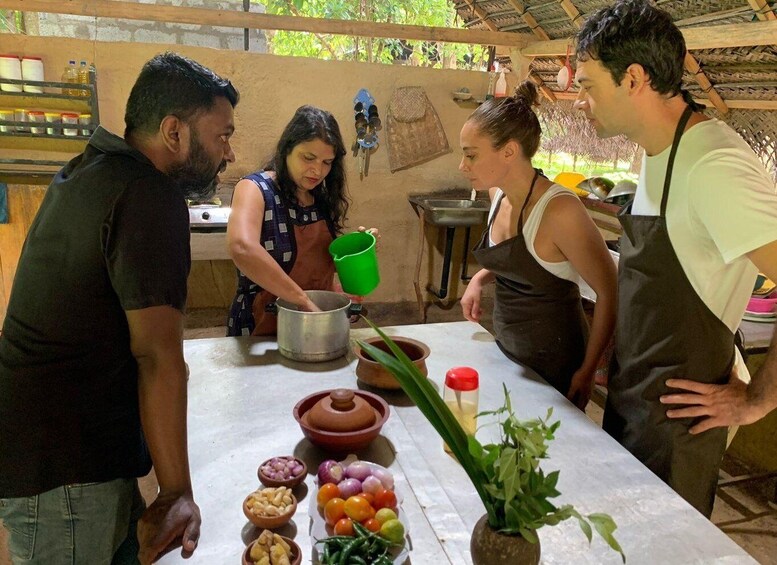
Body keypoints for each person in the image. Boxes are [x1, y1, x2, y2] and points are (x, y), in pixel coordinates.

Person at [0, 52, 238, 563]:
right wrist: (177, 492)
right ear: (174, 132)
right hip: (65, 468)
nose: (229, 154)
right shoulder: (148, 196)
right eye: (222, 136)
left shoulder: (93, 169)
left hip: (54, 448)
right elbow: (157, 356)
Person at [574, 0, 777, 518]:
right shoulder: (659, 150)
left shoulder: (714, 166)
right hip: (635, 403)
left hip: (682, 431)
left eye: (587, 84)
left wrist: (757, 399)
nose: (579, 100)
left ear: (634, 79)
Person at [459, 80, 617, 409]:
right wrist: (478, 278)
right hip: (509, 349)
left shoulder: (560, 211)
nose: (463, 166)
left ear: (509, 151)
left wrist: (587, 371)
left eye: (471, 155)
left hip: (555, 364)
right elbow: (518, 259)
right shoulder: (497, 193)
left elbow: (609, 291)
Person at [227, 105, 376, 336]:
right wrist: (302, 301)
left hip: (315, 326)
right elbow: (242, 247)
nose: (317, 170)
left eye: (327, 162)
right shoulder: (255, 189)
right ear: (287, 149)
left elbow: (319, 267)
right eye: (308, 158)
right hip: (262, 329)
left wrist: (356, 253)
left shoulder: (320, 198)